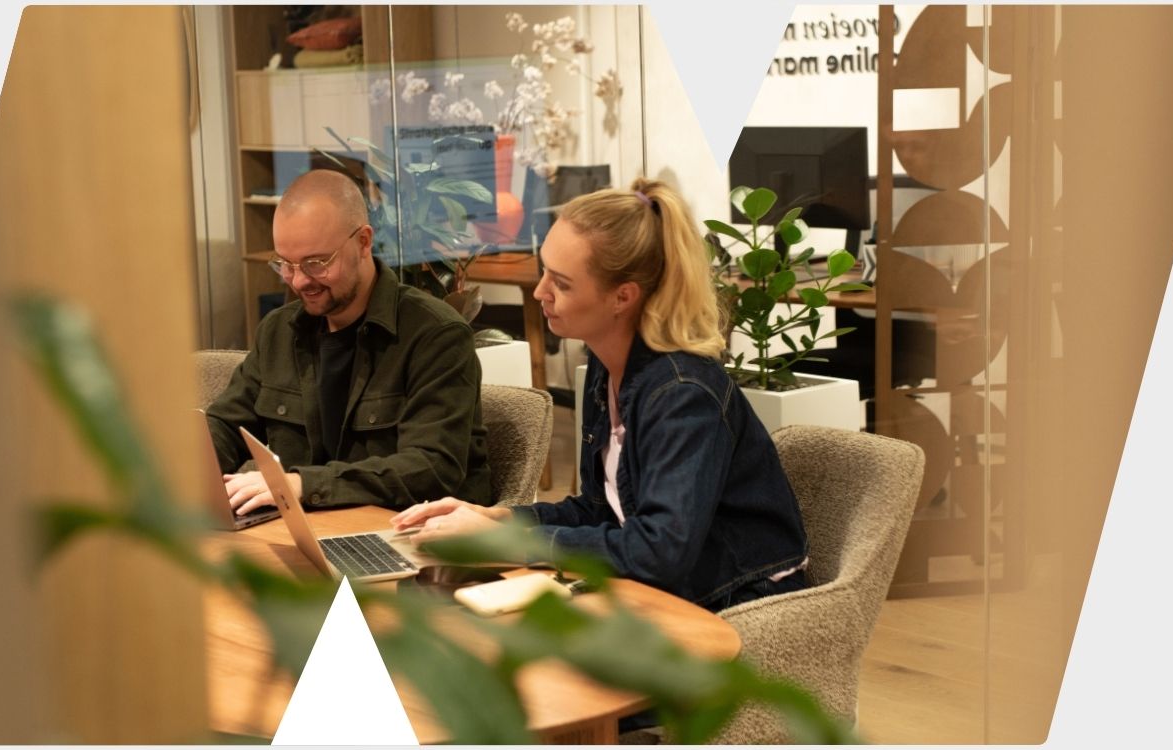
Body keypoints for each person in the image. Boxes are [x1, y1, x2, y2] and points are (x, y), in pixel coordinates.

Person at [391, 178, 809, 612]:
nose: (540, 292)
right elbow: (600, 511)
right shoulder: (606, 367)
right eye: (544, 271)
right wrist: (498, 518)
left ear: (622, 297)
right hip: (672, 586)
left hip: (745, 603)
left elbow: (660, 551)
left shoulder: (683, 394)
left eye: (562, 283)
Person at [207, 169, 494, 514]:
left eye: (316, 263)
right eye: (286, 264)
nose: (298, 281)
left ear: (363, 242)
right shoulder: (279, 331)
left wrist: (302, 485)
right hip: (313, 528)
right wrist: (189, 468)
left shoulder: (435, 334)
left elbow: (431, 468)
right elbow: (226, 425)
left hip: (413, 531)